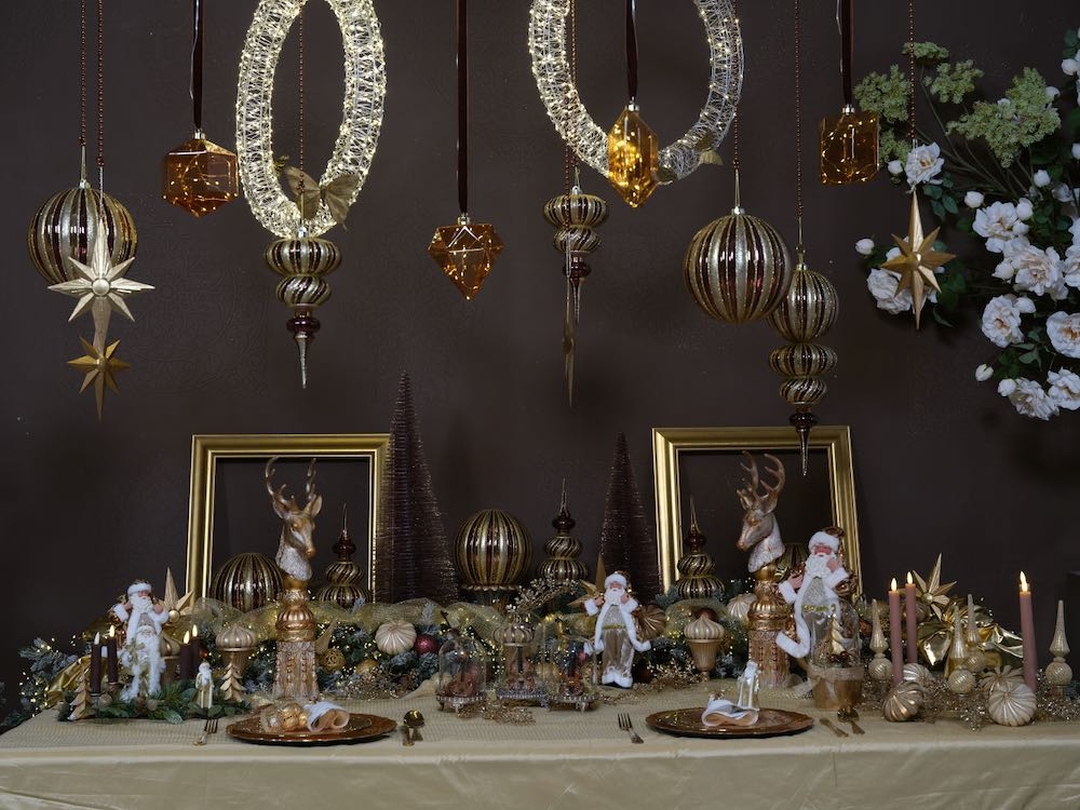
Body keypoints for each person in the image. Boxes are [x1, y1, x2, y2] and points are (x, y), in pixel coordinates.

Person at [775, 530, 850, 660]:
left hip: (827, 611)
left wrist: (837, 571)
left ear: (832, 551)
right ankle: (797, 649)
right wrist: (789, 586)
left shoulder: (834, 567)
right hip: (804, 609)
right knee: (803, 635)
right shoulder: (806, 568)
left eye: (826, 548)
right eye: (818, 547)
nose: (821, 551)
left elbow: (841, 587)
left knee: (827, 638)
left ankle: (824, 657)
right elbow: (787, 592)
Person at [584, 572, 651, 688]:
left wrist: (628, 602)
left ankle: (624, 676)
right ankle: (609, 676)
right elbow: (589, 611)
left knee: (625, 653)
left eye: (618, 584)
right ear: (608, 587)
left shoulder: (626, 599)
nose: (615, 586)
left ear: (622, 587)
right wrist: (594, 603)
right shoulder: (604, 600)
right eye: (612, 584)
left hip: (624, 631)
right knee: (608, 654)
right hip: (606, 632)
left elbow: (637, 610)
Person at [112, 581, 169, 701]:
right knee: (138, 664)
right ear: (134, 595)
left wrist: (161, 611)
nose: (144, 595)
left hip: (152, 639)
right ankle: (135, 691)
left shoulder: (151, 610)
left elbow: (162, 619)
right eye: (140, 592)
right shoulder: (132, 610)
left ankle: (153, 690)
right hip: (138, 640)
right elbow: (118, 616)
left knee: (154, 663)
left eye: (146, 593)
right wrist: (124, 607)